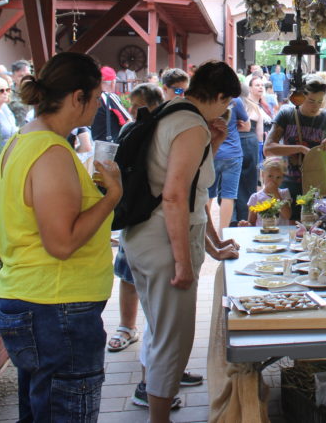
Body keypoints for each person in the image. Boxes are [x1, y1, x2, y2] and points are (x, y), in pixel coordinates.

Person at [0, 52, 123, 422]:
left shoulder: (25, 140)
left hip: (36, 300)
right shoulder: (50, 151)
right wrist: (112, 196)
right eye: (96, 98)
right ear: (77, 97)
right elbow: (62, 243)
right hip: (56, 307)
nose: (97, 107)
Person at [121, 60, 241, 420]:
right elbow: (175, 196)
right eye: (227, 102)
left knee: (159, 329)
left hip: (142, 235)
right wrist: (183, 263)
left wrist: (214, 144)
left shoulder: (172, 110)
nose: (226, 110)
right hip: (163, 241)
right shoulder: (191, 126)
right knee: (173, 340)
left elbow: (189, 191)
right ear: (218, 95)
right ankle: (159, 414)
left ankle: (150, 391)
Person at [264, 78, 326, 219]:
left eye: (320, 101)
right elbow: (268, 148)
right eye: (311, 101)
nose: (316, 106)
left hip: (319, 188)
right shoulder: (287, 115)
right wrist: (300, 148)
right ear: (299, 97)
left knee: (320, 233)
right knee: (290, 231)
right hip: (289, 187)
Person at [209, 93, 250, 232]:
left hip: (212, 152)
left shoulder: (207, 99)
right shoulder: (235, 101)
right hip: (232, 153)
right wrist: (234, 126)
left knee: (207, 195)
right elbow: (247, 126)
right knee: (229, 195)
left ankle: (205, 232)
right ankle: (223, 233)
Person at [237, 79, 272, 223]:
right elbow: (260, 133)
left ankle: (234, 217)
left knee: (234, 183)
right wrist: (260, 150)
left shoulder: (230, 106)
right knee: (250, 182)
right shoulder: (255, 107)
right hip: (251, 144)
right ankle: (248, 217)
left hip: (235, 143)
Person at [245, 157, 292, 226]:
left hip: (281, 234)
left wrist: (276, 194)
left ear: (282, 179)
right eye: (270, 176)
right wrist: (246, 224)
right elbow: (251, 222)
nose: (274, 180)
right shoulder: (255, 197)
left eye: (278, 177)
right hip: (262, 235)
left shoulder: (284, 193)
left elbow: (287, 215)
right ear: (263, 175)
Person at [91, 66, 131, 143]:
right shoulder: (109, 97)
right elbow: (127, 121)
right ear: (112, 82)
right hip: (110, 146)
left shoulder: (93, 97)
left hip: (96, 144)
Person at [8, 60, 33, 126]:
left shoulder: (36, 91)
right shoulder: (6, 92)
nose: (25, 78)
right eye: (21, 76)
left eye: (28, 75)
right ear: (13, 77)